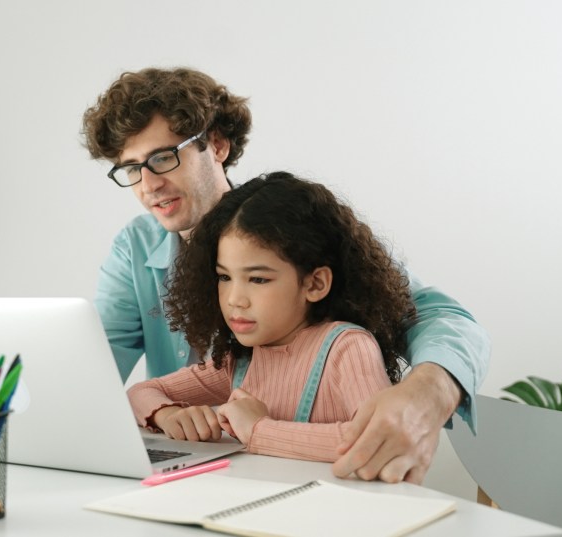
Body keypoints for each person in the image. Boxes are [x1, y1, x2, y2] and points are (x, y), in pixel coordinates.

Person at [81, 67, 490, 483]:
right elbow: (92, 370)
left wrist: (429, 391)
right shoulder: (134, 246)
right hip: (199, 477)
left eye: (163, 158)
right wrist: (164, 411)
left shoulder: (298, 230)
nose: (148, 185)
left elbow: (447, 321)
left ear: (217, 144)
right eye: (130, 169)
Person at [127, 172, 415, 461]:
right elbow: (141, 392)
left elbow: (376, 441)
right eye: (224, 277)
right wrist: (167, 414)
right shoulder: (240, 360)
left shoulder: (347, 348)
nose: (234, 299)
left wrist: (257, 430)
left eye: (258, 280)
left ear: (314, 284)